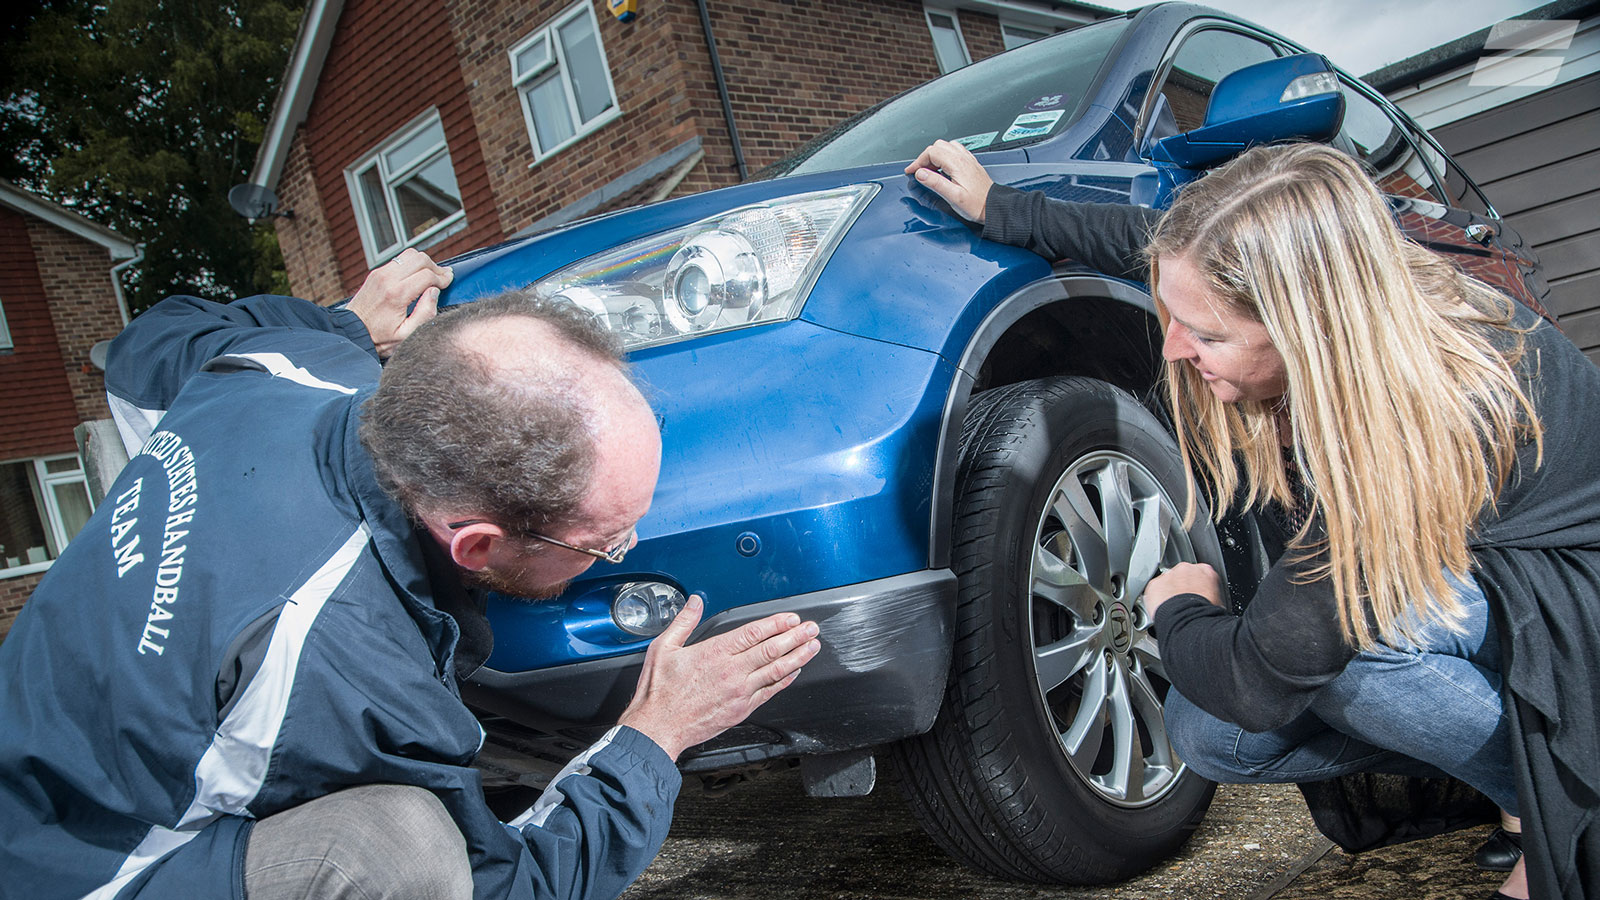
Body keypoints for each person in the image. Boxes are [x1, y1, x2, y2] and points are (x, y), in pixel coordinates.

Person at [0, 250, 821, 900]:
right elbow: (514, 882)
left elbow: (147, 343)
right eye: (605, 541)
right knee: (407, 853)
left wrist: (346, 320)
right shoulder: (353, 681)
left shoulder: (294, 361)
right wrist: (657, 732)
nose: (632, 541)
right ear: (476, 545)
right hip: (68, 871)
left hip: (35, 742)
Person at [906, 139, 1600, 900]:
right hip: (1491, 583)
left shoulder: (1410, 422)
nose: (1174, 346)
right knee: (1208, 737)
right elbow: (1147, 239)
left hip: (1574, 618)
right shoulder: (1345, 285)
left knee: (1353, 653)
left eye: (1206, 335)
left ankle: (1559, 802)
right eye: (1175, 316)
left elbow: (1260, 681)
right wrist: (998, 207)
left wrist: (1181, 608)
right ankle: (1518, 788)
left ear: (1306, 325)